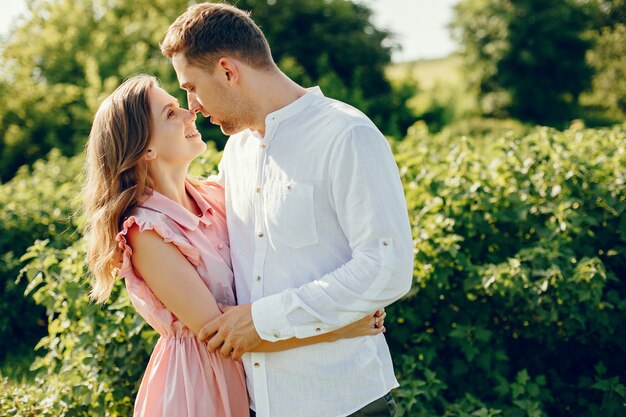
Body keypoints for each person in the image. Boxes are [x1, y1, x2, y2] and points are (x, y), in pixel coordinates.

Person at [160, 3, 414, 417]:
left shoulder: (347, 134)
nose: (194, 106)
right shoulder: (237, 153)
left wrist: (263, 321)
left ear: (228, 71)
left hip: (345, 402)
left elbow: (387, 266)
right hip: (258, 404)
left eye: (191, 87)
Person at [82, 74, 387, 417]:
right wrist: (337, 326)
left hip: (252, 383)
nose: (189, 113)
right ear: (145, 148)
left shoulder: (214, 195)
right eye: (170, 113)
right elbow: (223, 336)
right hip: (198, 387)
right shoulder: (146, 231)